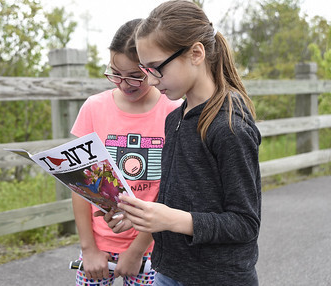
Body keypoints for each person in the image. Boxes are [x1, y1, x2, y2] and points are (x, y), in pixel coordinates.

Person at [107, 1, 262, 285]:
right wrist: (143, 217)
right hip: (169, 272)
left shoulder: (230, 128)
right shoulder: (175, 118)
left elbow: (245, 223)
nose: (151, 81)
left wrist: (170, 220)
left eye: (156, 68)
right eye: (145, 70)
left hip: (218, 278)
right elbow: (178, 197)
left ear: (196, 53)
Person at [70, 18, 182, 286]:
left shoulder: (173, 110)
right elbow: (79, 184)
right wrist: (88, 249)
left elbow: (172, 191)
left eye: (135, 76)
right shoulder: (94, 108)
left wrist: (137, 251)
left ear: (153, 69)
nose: (124, 83)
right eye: (116, 73)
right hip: (98, 244)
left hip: (152, 247)